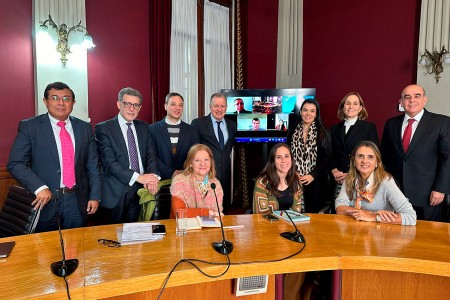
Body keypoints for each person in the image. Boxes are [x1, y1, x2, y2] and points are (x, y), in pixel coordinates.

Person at [7, 82, 101, 232]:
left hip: (77, 201)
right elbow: (15, 163)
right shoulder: (30, 127)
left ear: (73, 103)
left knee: (75, 248)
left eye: (66, 98)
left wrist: (95, 195)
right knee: (46, 252)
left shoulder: (85, 128)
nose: (61, 103)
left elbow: (92, 165)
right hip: (44, 200)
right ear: (45, 101)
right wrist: (39, 187)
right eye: (55, 98)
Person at [381, 84, 450, 221]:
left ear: (425, 100)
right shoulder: (391, 124)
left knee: (427, 238)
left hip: (428, 196)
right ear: (401, 102)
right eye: (407, 97)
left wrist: (441, 189)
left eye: (417, 96)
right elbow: (384, 157)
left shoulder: (442, 122)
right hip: (396, 195)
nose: (412, 100)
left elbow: (447, 158)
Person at [95, 87, 160, 224]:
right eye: (127, 104)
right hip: (115, 192)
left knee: (136, 236)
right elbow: (109, 163)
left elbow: (151, 156)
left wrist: (152, 178)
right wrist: (140, 177)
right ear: (119, 104)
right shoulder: (103, 128)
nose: (132, 109)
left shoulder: (144, 127)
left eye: (136, 105)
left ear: (140, 108)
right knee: (111, 238)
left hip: (141, 191)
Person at [336, 141, 416, 225]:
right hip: (353, 232)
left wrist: (374, 217)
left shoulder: (386, 182)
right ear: (354, 160)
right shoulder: (349, 178)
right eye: (360, 156)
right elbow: (339, 207)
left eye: (370, 157)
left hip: (380, 234)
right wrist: (369, 213)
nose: (364, 161)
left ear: (377, 162)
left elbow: (411, 216)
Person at [191, 93, 236, 213]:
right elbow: (194, 151)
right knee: (206, 210)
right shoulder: (198, 124)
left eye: (222, 106)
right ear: (210, 106)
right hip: (205, 175)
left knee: (223, 209)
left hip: (226, 176)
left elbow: (227, 149)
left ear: (226, 107)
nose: (219, 109)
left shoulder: (232, 125)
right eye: (216, 106)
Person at [330, 92, 379, 196]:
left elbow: (374, 155)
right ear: (343, 107)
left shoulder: (369, 128)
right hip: (338, 180)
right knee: (338, 210)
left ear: (360, 108)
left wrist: (352, 174)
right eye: (348, 103)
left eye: (355, 103)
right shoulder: (333, 129)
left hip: (361, 179)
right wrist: (334, 170)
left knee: (358, 211)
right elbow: (329, 153)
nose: (351, 106)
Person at [287, 98, 332, 213]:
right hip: (293, 179)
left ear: (316, 114)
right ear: (301, 112)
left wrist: (312, 175)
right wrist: (293, 172)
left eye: (312, 111)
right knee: (293, 212)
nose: (308, 114)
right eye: (305, 110)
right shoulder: (292, 130)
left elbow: (326, 159)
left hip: (315, 181)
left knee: (312, 215)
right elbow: (288, 154)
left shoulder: (323, 132)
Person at [148, 92, 198, 179]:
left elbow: (196, 155)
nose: (177, 108)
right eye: (173, 104)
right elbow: (151, 156)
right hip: (160, 181)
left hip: (186, 179)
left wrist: (185, 172)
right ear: (165, 106)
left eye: (180, 105)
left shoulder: (191, 130)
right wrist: (171, 173)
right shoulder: (152, 130)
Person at [170, 144, 224, 217]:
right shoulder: (179, 181)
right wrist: (208, 212)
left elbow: (218, 215)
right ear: (190, 164)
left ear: (211, 162)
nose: (203, 164)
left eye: (206, 160)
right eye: (197, 160)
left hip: (208, 227)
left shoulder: (215, 184)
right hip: (182, 227)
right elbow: (180, 212)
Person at [253, 143, 302, 214]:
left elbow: (297, 212)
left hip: (290, 224)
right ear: (273, 161)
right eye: (278, 157)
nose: (283, 160)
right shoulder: (262, 182)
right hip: (268, 224)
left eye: (287, 156)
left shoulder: (296, 180)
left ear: (291, 159)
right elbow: (260, 215)